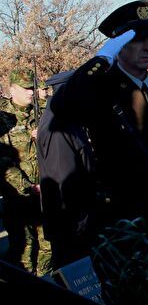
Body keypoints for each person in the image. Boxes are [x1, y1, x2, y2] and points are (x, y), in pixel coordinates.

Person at [50, 0, 148, 249]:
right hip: (123, 214)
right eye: (138, 40)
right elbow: (63, 106)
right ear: (119, 44)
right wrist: (102, 59)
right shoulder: (102, 87)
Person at [37, 70, 96, 269]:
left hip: (74, 221)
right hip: (71, 225)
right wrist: (80, 222)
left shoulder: (66, 119)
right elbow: (65, 182)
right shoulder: (59, 128)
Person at [0, 68, 50, 275]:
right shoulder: (3, 118)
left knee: (48, 248)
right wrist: (27, 187)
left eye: (34, 88)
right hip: (19, 196)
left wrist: (47, 135)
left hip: (46, 191)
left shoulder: (44, 112)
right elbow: (2, 160)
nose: (31, 92)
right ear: (12, 89)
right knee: (24, 252)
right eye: (27, 88)